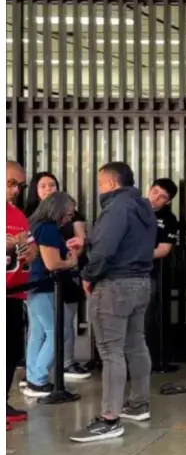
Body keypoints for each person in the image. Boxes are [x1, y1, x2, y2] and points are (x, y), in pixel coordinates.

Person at [69, 162, 157, 443]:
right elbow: (127, 243)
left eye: (100, 183)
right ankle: (139, 403)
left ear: (110, 183)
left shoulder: (116, 208)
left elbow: (106, 250)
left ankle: (109, 419)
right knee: (136, 343)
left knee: (111, 351)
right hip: (141, 282)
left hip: (115, 286)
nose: (99, 188)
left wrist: (87, 274)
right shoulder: (143, 207)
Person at [24, 172, 91, 381]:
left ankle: (33, 376)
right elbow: (51, 263)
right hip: (43, 287)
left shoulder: (36, 224)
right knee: (57, 332)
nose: (69, 219)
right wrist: (70, 262)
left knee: (38, 334)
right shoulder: (48, 228)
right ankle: (40, 378)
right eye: (69, 214)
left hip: (33, 286)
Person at [6, 161, 37, 430]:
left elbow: (31, 245)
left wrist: (30, 252)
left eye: (19, 185)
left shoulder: (17, 215)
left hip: (15, 292)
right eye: (11, 183)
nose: (16, 189)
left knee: (13, 350)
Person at [145, 178, 179, 370]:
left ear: (168, 201)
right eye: (155, 191)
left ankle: (155, 360)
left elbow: (164, 249)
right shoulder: (134, 209)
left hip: (153, 273)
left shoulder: (169, 219)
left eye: (162, 196)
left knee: (151, 316)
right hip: (125, 273)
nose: (156, 197)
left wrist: (137, 256)